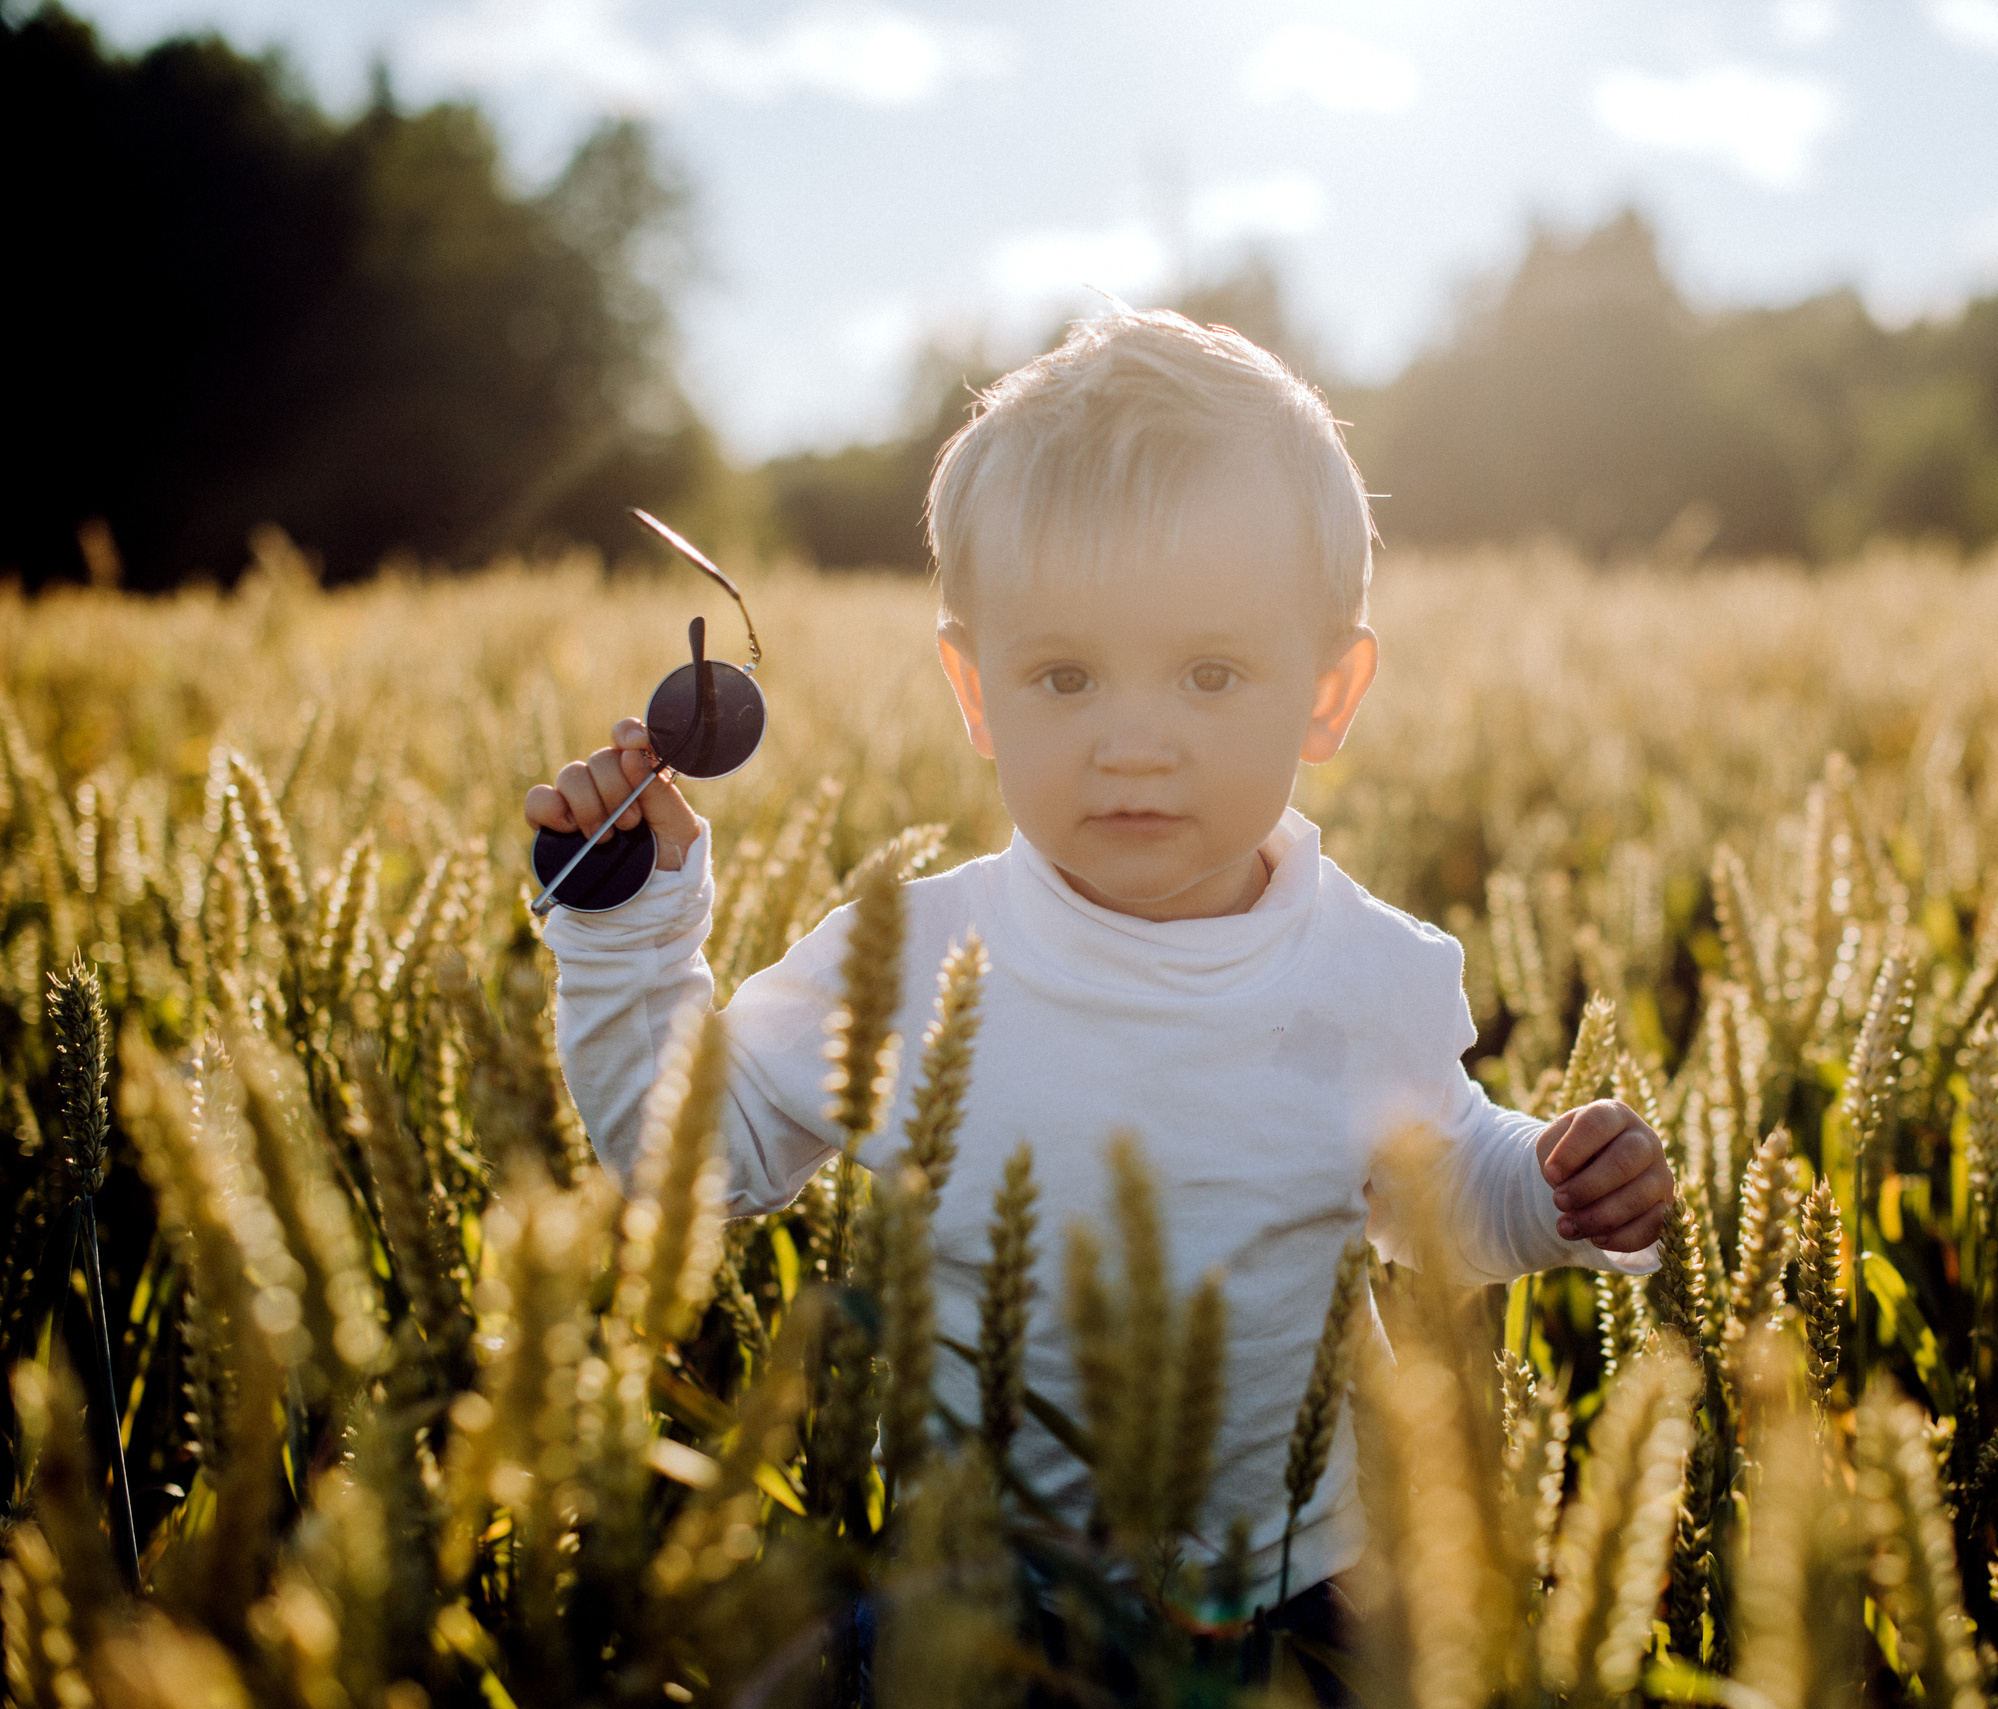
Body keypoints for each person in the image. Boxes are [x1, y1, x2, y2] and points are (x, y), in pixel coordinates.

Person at [525, 308, 1674, 1649]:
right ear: (974, 689)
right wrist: (625, 929)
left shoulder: (1375, 972)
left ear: (1329, 689)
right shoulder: (909, 961)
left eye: (1209, 672)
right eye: (1065, 674)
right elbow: (685, 1161)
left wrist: (1549, 1186)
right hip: (979, 1592)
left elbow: (1440, 1196)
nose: (1134, 740)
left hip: (1305, 1588)